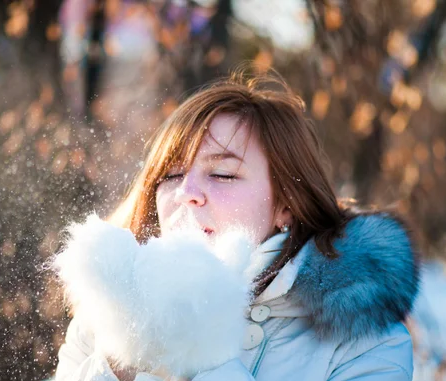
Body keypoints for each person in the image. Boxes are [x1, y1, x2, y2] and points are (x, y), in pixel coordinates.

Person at [54, 72, 420, 381]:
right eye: (172, 174)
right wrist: (122, 360)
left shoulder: (365, 338)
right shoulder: (106, 315)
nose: (187, 193)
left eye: (222, 174)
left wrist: (209, 358)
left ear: (286, 205)